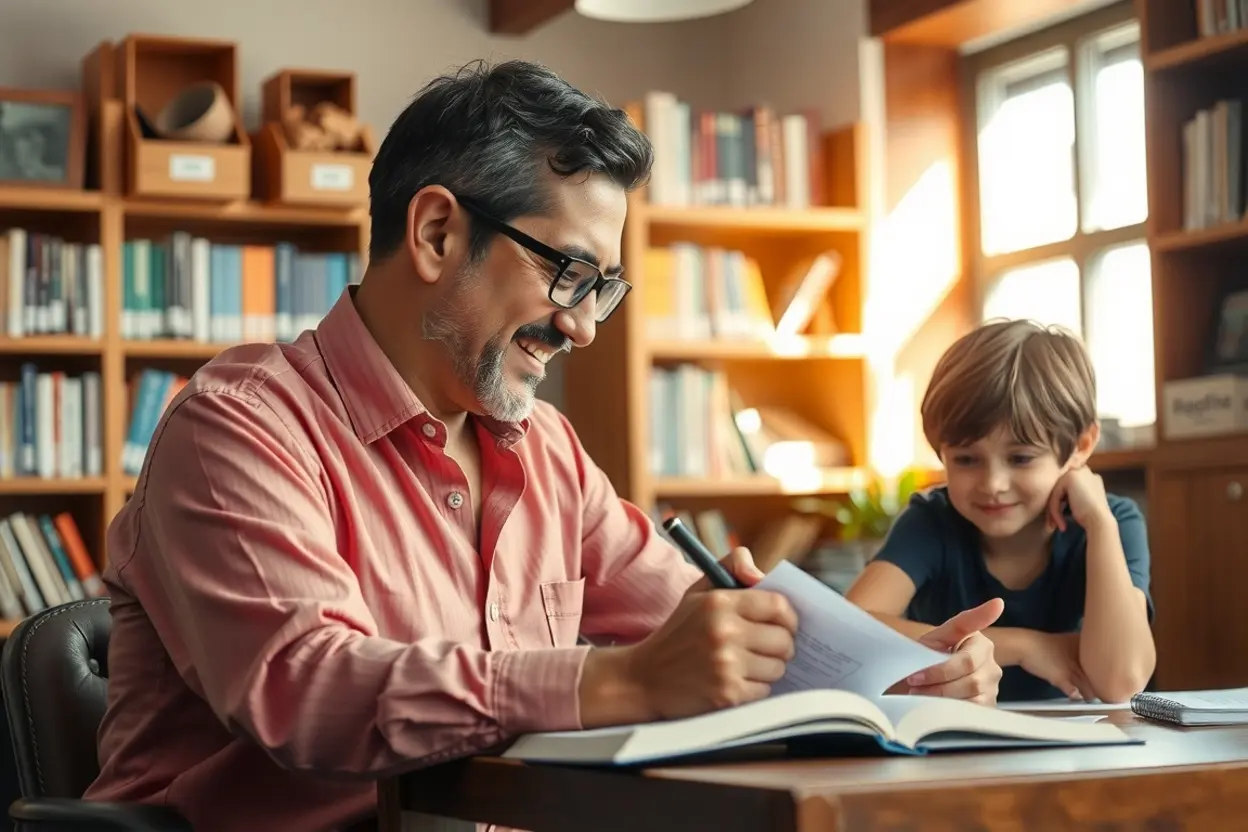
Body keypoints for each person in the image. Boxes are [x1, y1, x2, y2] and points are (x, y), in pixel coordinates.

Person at [84, 59, 1003, 832]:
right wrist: (620, 682)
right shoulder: (239, 427)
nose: (586, 327)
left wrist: (909, 671)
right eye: (568, 272)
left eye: (604, 288)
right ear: (438, 231)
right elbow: (303, 688)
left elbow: (707, 622)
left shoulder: (546, 450)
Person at [846, 319, 1156, 704]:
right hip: (948, 747)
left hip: (1073, 758)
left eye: (1021, 458)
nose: (993, 483)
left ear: (1080, 445)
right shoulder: (932, 522)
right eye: (966, 459)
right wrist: (1024, 646)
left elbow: (1121, 682)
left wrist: (1099, 524)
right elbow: (846, 631)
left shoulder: (1110, 523)